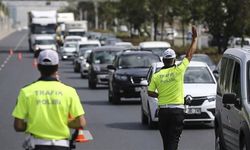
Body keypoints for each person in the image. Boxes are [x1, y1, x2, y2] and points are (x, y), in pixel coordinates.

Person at [12, 49, 86, 150]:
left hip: (36, 145)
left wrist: (34, 124)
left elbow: (18, 126)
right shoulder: (69, 92)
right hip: (62, 145)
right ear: (57, 67)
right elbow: (81, 123)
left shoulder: (26, 92)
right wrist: (62, 122)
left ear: (38, 66)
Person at [147, 26, 197, 150]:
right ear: (174, 60)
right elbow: (189, 54)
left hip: (163, 112)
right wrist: (194, 39)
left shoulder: (157, 75)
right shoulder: (179, 70)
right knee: (173, 141)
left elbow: (150, 92)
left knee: (166, 141)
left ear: (163, 60)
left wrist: (159, 96)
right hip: (177, 112)